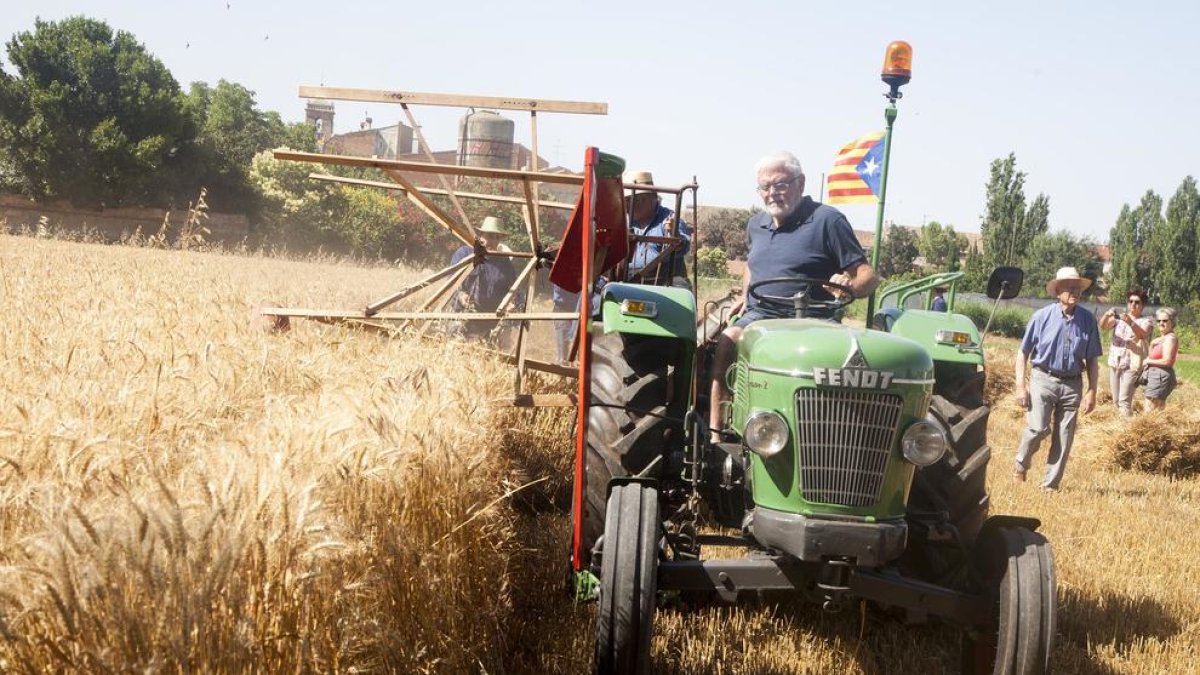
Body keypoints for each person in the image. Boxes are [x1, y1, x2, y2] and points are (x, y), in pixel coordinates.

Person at [708, 151, 880, 440]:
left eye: (780, 184)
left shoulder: (828, 220)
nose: (772, 193)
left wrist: (848, 286)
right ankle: (717, 434)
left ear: (800, 184)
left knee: (839, 366)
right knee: (727, 341)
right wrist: (745, 295)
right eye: (765, 187)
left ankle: (828, 437)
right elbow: (753, 264)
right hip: (761, 315)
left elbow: (868, 276)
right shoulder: (756, 225)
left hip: (814, 317)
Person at [1012, 267, 1101, 491]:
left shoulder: (1088, 320)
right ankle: (1021, 466)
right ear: (1057, 291)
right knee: (1038, 428)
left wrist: (1092, 391)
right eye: (1071, 288)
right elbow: (1023, 352)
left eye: (1078, 288)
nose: (1076, 292)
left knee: (1064, 437)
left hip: (1072, 384)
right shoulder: (1041, 317)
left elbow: (1092, 359)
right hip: (1043, 378)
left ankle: (1050, 486)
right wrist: (1020, 385)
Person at [448, 216, 522, 341]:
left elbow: (514, 290)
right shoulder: (465, 254)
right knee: (457, 347)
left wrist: (511, 303)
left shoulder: (505, 263)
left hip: (490, 321)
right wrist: (461, 295)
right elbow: (451, 282)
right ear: (480, 235)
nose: (494, 240)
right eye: (490, 236)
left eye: (497, 237)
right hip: (463, 315)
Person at [624, 170, 692, 287]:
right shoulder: (624, 222)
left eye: (635, 199)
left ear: (653, 197)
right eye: (627, 200)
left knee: (679, 288)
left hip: (664, 282)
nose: (629, 205)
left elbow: (683, 245)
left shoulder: (669, 218)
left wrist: (674, 236)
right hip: (627, 281)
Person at [1098, 289, 1152, 416]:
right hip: (1115, 362)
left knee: (1124, 401)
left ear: (1142, 305)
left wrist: (1130, 322)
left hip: (1132, 364)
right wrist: (1107, 315)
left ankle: (1127, 431)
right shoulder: (1119, 320)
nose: (1133, 304)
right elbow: (1103, 326)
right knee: (1116, 401)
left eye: (1137, 302)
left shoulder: (1147, 321)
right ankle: (1122, 425)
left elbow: (1142, 334)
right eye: (1130, 301)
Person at [1141, 307, 1179, 411]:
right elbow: (1152, 355)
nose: (1161, 323)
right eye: (1159, 321)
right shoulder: (1163, 338)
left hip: (1160, 376)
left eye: (1165, 320)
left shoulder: (1170, 339)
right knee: (1157, 411)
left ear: (1172, 322)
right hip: (1157, 376)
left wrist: (1148, 361)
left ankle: (1149, 428)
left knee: (1149, 411)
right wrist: (1152, 344)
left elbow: (1167, 361)